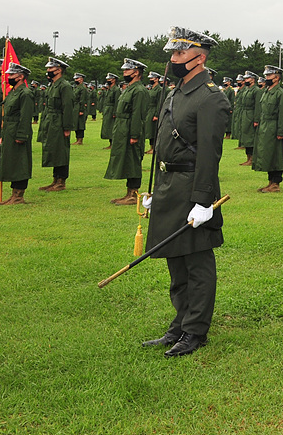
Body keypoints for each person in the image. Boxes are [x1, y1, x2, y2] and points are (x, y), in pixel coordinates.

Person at [138, 28, 228, 357]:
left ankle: (195, 330)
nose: (172, 60)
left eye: (178, 54)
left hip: (192, 188)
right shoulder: (176, 92)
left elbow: (209, 153)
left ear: (199, 58)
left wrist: (203, 201)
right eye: (173, 54)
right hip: (168, 186)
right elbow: (163, 142)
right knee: (175, 259)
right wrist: (153, 191)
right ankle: (180, 321)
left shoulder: (211, 96)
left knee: (196, 261)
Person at [106, 58, 151, 205]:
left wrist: (134, 134)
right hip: (122, 127)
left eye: (127, 70)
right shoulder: (129, 88)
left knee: (133, 160)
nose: (124, 72)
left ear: (136, 72)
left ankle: (133, 194)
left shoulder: (139, 90)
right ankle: (128, 192)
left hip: (130, 128)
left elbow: (137, 114)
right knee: (126, 159)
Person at [0, 63, 34, 205]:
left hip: (18, 131)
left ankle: (19, 195)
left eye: (12, 75)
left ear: (21, 77)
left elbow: (25, 116)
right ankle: (13, 194)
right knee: (11, 161)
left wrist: (21, 135)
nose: (8, 77)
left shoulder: (26, 93)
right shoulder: (13, 91)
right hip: (9, 131)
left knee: (20, 162)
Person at [37, 58, 74, 193]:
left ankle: (61, 181)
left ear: (58, 70)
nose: (48, 71)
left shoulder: (64, 86)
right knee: (54, 149)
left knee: (61, 151)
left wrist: (67, 127)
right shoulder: (53, 85)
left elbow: (68, 107)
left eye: (50, 69)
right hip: (51, 121)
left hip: (59, 121)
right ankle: (55, 179)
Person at [253, 66, 283, 193]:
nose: (266, 78)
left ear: (277, 77)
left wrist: (281, 131)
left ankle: (276, 183)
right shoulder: (267, 91)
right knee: (267, 155)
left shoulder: (281, 94)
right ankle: (270, 182)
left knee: (276, 155)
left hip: (274, 127)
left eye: (269, 76)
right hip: (265, 127)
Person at [71, 72, 88, 145]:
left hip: (79, 106)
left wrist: (81, 110)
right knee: (76, 123)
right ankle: (77, 139)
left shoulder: (82, 88)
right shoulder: (77, 88)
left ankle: (80, 140)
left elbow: (82, 99)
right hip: (75, 106)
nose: (75, 80)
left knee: (80, 124)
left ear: (81, 79)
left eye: (77, 78)